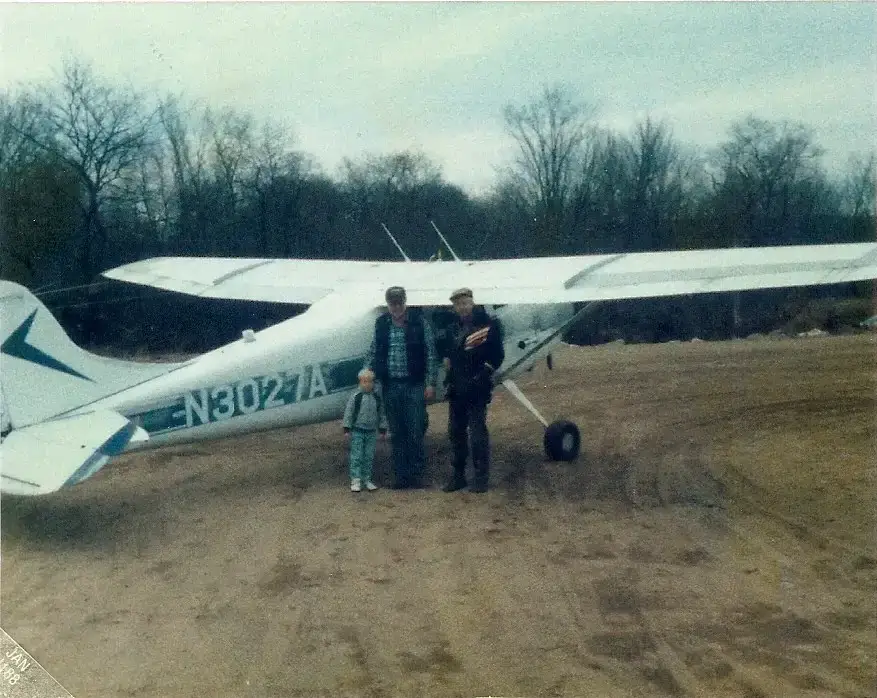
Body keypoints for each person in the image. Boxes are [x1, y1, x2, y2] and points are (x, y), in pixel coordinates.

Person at [364, 286, 437, 489]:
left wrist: (430, 383)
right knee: (397, 433)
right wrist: (365, 371)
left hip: (414, 384)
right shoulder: (382, 324)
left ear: (405, 302)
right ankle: (401, 477)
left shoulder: (419, 323)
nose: (396, 307)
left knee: (415, 430)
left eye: (399, 302)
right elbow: (373, 349)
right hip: (391, 385)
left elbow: (430, 354)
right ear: (388, 304)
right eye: (392, 303)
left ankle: (417, 475)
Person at [441, 288, 505, 493]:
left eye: (466, 303)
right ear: (455, 307)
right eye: (459, 304)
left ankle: (480, 477)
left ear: (472, 303)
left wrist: (483, 376)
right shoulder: (452, 328)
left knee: (477, 434)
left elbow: (497, 355)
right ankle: (458, 476)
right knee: (455, 433)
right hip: (457, 389)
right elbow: (450, 355)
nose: (463, 307)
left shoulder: (487, 325)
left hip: (477, 388)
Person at [342, 368, 388, 492]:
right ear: (360, 382)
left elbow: (382, 414)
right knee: (356, 455)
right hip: (358, 430)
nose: (367, 384)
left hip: (371, 431)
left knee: (369, 455)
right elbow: (349, 413)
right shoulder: (356, 397)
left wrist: (383, 429)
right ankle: (356, 479)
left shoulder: (377, 398)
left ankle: (366, 479)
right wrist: (347, 428)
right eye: (364, 381)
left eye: (370, 381)